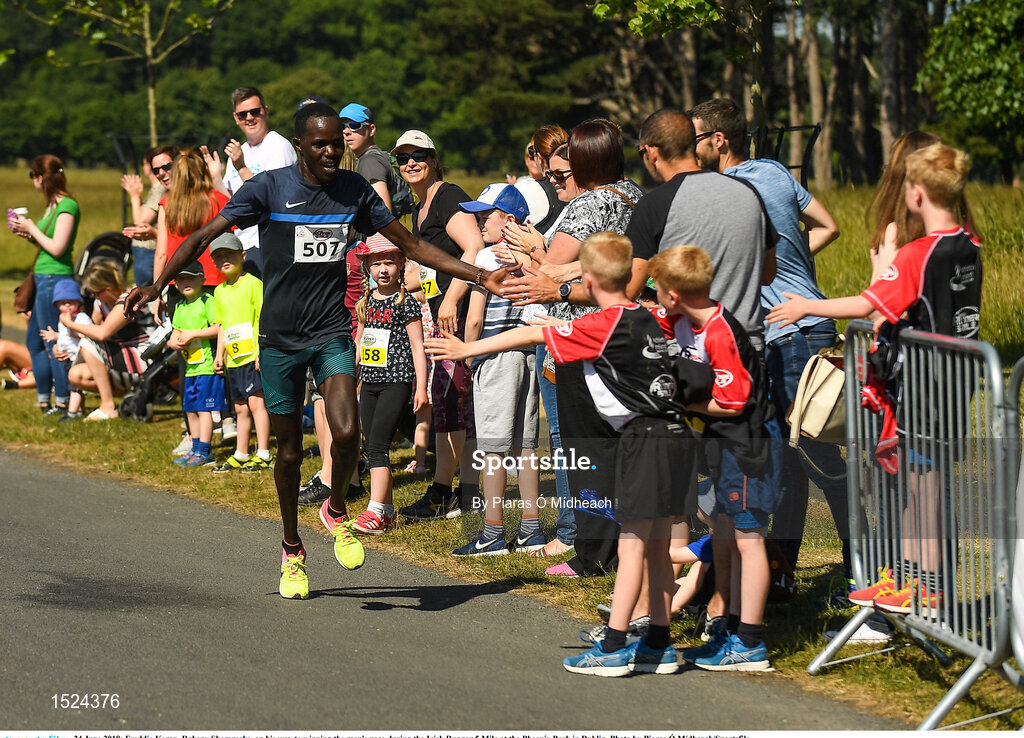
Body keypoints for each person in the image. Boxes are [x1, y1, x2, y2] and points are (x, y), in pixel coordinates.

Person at [124, 102, 509, 601]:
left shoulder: (352, 190)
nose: (331, 152)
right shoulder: (268, 187)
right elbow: (203, 235)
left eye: (336, 143)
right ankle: (291, 548)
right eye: (321, 144)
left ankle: (334, 509)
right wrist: (157, 285)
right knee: (287, 454)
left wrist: (480, 274)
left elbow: (410, 245)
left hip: (330, 332)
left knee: (348, 431)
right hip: (280, 340)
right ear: (301, 145)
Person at [426, 232, 694, 677]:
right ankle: (659, 645)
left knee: (632, 549)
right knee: (658, 546)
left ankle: (614, 644)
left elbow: (534, 330)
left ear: (587, 278)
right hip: (677, 437)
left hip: (643, 441)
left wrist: (465, 349)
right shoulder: (649, 315)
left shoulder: (597, 325)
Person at [768, 143, 981, 616]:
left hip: (920, 390)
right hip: (956, 384)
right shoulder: (970, 245)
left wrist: (806, 305)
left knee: (918, 489)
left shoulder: (916, 256)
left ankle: (920, 585)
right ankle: (913, 581)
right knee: (926, 486)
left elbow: (866, 304)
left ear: (918, 195)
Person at [688, 98, 850, 582]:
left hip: (790, 333)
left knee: (821, 461)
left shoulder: (726, 190)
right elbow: (829, 226)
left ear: (719, 140)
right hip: (810, 319)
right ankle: (782, 570)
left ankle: (860, 574)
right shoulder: (777, 172)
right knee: (792, 461)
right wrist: (791, 264)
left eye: (696, 137)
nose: (691, 148)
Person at [501, 119, 647, 577]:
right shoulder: (633, 195)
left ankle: (590, 550)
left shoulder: (592, 202)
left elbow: (556, 270)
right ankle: (621, 542)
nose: (554, 178)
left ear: (587, 163)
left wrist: (535, 245)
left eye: (563, 172)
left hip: (578, 334)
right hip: (621, 331)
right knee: (619, 443)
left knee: (580, 446)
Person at [651, 244, 779, 671]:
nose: (654, 295)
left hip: (748, 448)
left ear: (673, 293)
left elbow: (733, 403)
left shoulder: (721, 332)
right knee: (725, 538)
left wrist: (682, 404)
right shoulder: (682, 319)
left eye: (657, 289)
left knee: (749, 540)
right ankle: (726, 627)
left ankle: (752, 642)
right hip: (722, 450)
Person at [393, 129, 485, 522]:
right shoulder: (420, 206)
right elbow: (432, 263)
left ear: (434, 159)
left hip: (459, 315)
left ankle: (450, 492)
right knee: (450, 404)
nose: (411, 163)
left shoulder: (448, 196)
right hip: (441, 316)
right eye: (403, 157)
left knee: (456, 404)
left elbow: (474, 249)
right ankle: (456, 492)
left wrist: (449, 299)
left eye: (419, 155)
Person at [451, 183, 545, 555]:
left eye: (484, 216)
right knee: (525, 444)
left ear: (508, 220)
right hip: (529, 353)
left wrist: (469, 356)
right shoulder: (534, 259)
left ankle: (491, 533)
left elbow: (473, 319)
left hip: (493, 356)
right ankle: (531, 529)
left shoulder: (487, 260)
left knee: (492, 446)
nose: (479, 223)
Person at [350, 234, 428, 533]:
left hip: (396, 381)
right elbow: (360, 342)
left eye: (389, 263)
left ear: (401, 265)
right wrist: (351, 375)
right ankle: (388, 511)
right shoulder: (366, 302)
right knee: (372, 446)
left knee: (380, 446)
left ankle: (375, 510)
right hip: (370, 382)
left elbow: (418, 346)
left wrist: (421, 386)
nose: (383, 270)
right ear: (367, 266)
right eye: (377, 263)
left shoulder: (405, 302)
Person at [11, 155, 80, 414]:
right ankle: (45, 398)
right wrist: (28, 234)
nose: (33, 182)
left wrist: (32, 228)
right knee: (35, 342)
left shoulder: (67, 206)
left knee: (54, 341)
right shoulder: (52, 205)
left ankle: (62, 399)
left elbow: (57, 247)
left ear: (41, 177)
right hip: (43, 276)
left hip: (55, 279)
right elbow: (46, 243)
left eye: (33, 176)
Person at [215, 86, 298, 275]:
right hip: (241, 247)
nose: (250, 118)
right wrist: (214, 177)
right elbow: (231, 202)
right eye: (243, 114)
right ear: (236, 118)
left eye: (255, 112)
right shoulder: (237, 152)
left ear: (266, 112)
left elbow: (275, 200)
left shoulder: (278, 146)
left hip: (269, 243)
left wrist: (242, 168)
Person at [209, 233, 273, 473]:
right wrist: (219, 354)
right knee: (240, 408)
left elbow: (263, 318)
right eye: (219, 257)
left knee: (257, 404)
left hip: (252, 356)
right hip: (234, 359)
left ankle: (264, 452)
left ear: (243, 256)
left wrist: (261, 352)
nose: (225, 259)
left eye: (230, 254)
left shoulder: (254, 284)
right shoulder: (219, 292)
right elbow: (222, 325)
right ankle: (242, 452)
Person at [66, 259, 158, 421]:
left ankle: (107, 406)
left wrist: (69, 324)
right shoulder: (101, 302)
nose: (93, 296)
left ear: (107, 289)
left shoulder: (129, 300)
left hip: (144, 357)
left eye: (95, 292)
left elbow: (102, 333)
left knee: (88, 343)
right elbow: (91, 328)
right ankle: (126, 396)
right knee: (76, 375)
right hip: (123, 355)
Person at [167, 261, 224, 467]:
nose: (186, 282)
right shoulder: (180, 307)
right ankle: (195, 448)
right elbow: (175, 332)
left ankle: (205, 451)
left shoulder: (207, 302)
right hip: (191, 367)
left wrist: (193, 334)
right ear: (175, 284)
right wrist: (174, 341)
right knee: (190, 409)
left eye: (191, 277)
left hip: (207, 366)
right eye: (181, 279)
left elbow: (218, 328)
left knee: (204, 409)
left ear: (202, 279)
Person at [154, 147, 229, 288]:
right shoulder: (219, 200)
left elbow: (161, 254)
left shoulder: (167, 203)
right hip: (215, 279)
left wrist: (156, 288)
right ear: (202, 171)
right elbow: (231, 238)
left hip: (178, 280)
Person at [121, 145, 179, 286]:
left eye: (167, 166)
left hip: (150, 252)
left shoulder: (161, 191)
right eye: (156, 169)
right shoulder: (163, 191)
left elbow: (140, 221)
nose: (161, 172)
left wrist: (134, 196)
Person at [339, 103, 407, 215]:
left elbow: (382, 213)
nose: (347, 132)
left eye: (354, 125)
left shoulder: (370, 161)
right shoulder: (376, 156)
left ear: (371, 130)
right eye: (342, 126)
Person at [39, 278, 92, 421]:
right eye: (63, 303)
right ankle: (80, 411)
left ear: (79, 302)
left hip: (80, 357)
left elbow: (90, 334)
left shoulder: (81, 318)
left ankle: (72, 413)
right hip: (70, 358)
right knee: (77, 386)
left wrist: (75, 332)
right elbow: (65, 336)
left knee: (75, 386)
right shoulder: (62, 319)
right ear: (57, 305)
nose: (67, 305)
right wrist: (55, 336)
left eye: (71, 301)